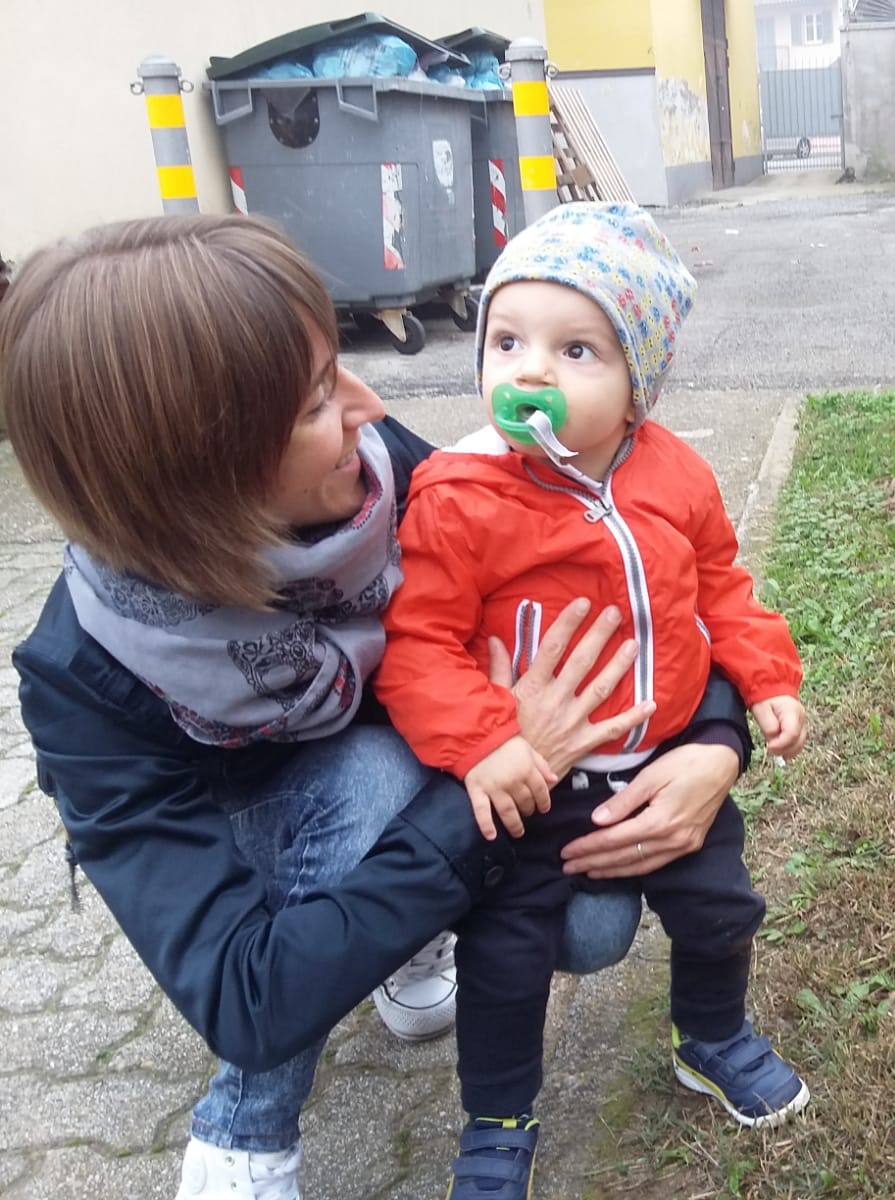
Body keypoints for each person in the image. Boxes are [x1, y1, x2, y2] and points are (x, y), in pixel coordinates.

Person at [0, 214, 753, 1200]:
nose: (370, 405)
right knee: (370, 780)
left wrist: (716, 739)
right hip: (276, 833)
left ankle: (395, 933)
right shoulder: (83, 675)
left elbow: (621, 586)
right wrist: (507, 749)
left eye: (337, 370)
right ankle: (247, 1134)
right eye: (317, 402)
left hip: (439, 784)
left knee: (592, 926)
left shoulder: (384, 474)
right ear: (197, 482)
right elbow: (244, 996)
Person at [374, 202, 811, 1196]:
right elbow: (418, 647)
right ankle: (497, 1119)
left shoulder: (673, 471)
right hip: (534, 784)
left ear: (636, 389)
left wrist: (766, 678)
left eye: (576, 351)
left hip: (663, 758)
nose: (530, 372)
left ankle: (710, 1035)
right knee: (505, 955)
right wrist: (487, 742)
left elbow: (721, 586)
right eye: (507, 342)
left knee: (720, 907)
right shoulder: (459, 498)